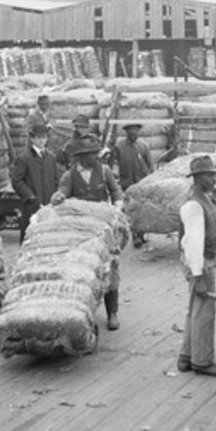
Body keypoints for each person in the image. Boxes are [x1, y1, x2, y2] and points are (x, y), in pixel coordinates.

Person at [51, 140, 124, 329]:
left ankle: (112, 312)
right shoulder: (70, 175)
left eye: (95, 153)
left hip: (102, 228)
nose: (95, 157)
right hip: (81, 231)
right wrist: (59, 197)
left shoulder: (105, 171)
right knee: (82, 270)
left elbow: (115, 191)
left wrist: (117, 208)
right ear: (82, 157)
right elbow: (62, 192)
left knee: (110, 267)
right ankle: (81, 311)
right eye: (91, 154)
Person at [177, 156, 216, 377]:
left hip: (204, 260)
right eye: (210, 175)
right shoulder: (194, 205)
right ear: (198, 178)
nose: (214, 179)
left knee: (196, 309)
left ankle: (186, 357)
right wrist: (198, 275)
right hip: (199, 263)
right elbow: (193, 243)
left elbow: (210, 234)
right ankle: (202, 361)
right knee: (205, 313)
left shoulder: (205, 199)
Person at [9, 122, 58, 245]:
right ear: (32, 139)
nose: (42, 141)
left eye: (44, 137)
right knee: (29, 238)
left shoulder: (51, 158)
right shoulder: (24, 158)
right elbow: (16, 181)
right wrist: (30, 196)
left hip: (48, 206)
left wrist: (55, 198)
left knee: (48, 238)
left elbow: (55, 179)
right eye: (38, 138)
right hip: (31, 206)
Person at [114, 122, 153, 247]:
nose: (133, 134)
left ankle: (141, 234)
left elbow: (149, 164)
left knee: (142, 209)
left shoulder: (143, 146)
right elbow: (114, 163)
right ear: (126, 133)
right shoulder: (119, 146)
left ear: (138, 132)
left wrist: (151, 178)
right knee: (131, 209)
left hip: (141, 182)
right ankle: (134, 235)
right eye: (130, 132)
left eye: (135, 131)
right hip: (127, 183)